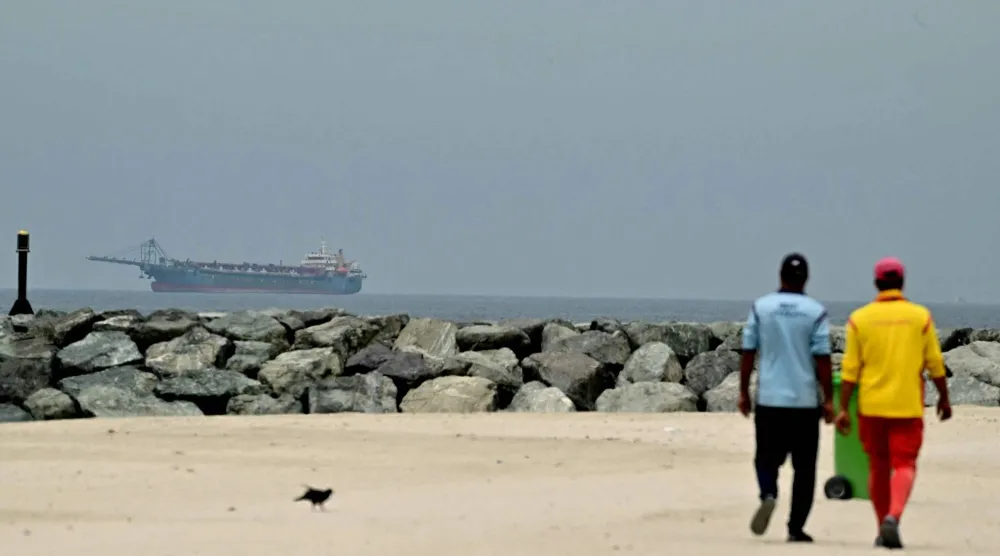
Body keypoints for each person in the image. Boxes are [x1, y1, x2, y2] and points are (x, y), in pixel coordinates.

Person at [836, 257, 952, 549]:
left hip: (871, 406)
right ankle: (894, 517)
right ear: (902, 282)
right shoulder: (920, 317)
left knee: (877, 466)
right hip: (907, 404)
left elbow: (850, 369)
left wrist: (842, 408)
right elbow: (935, 363)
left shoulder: (859, 319)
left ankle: (880, 528)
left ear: (876, 284)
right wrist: (944, 397)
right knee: (905, 464)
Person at [740, 252, 834, 543]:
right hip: (804, 402)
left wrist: (743, 391)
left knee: (765, 458)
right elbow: (822, 359)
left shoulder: (761, 307)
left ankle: (768, 492)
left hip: (770, 399)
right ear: (805, 278)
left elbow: (748, 351)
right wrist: (829, 398)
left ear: (780, 275)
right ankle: (795, 528)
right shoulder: (815, 311)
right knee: (804, 469)